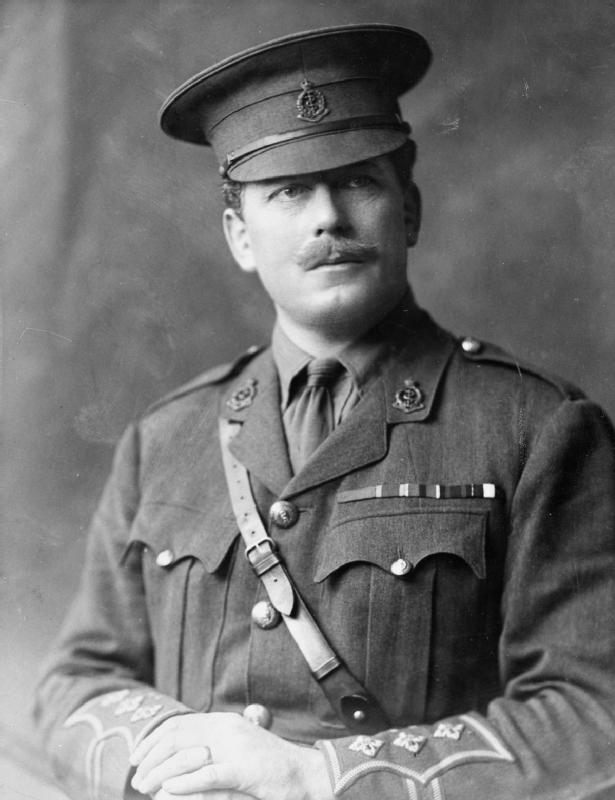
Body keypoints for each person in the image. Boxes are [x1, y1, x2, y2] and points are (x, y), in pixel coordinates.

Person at [34, 23, 615, 800]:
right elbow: (76, 681)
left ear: (408, 211)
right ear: (239, 236)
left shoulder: (535, 429)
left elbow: (592, 713)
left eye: (357, 182)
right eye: (289, 191)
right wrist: (174, 752)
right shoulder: (163, 439)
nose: (327, 219)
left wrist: (319, 776)